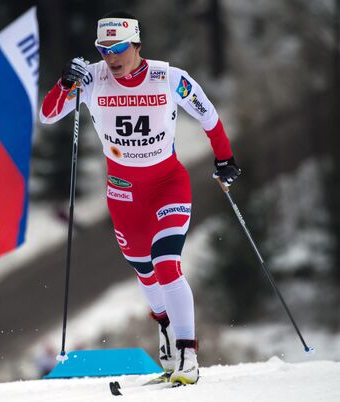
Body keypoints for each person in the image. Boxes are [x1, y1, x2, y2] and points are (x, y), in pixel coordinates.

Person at [39, 10, 241, 385]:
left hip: (168, 183)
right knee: (143, 269)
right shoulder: (92, 79)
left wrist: (225, 158)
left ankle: (188, 353)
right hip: (123, 192)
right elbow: (48, 115)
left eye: (118, 48)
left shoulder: (169, 78)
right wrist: (65, 84)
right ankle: (164, 326)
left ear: (136, 44)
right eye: (103, 49)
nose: (111, 58)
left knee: (166, 262)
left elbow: (208, 115)